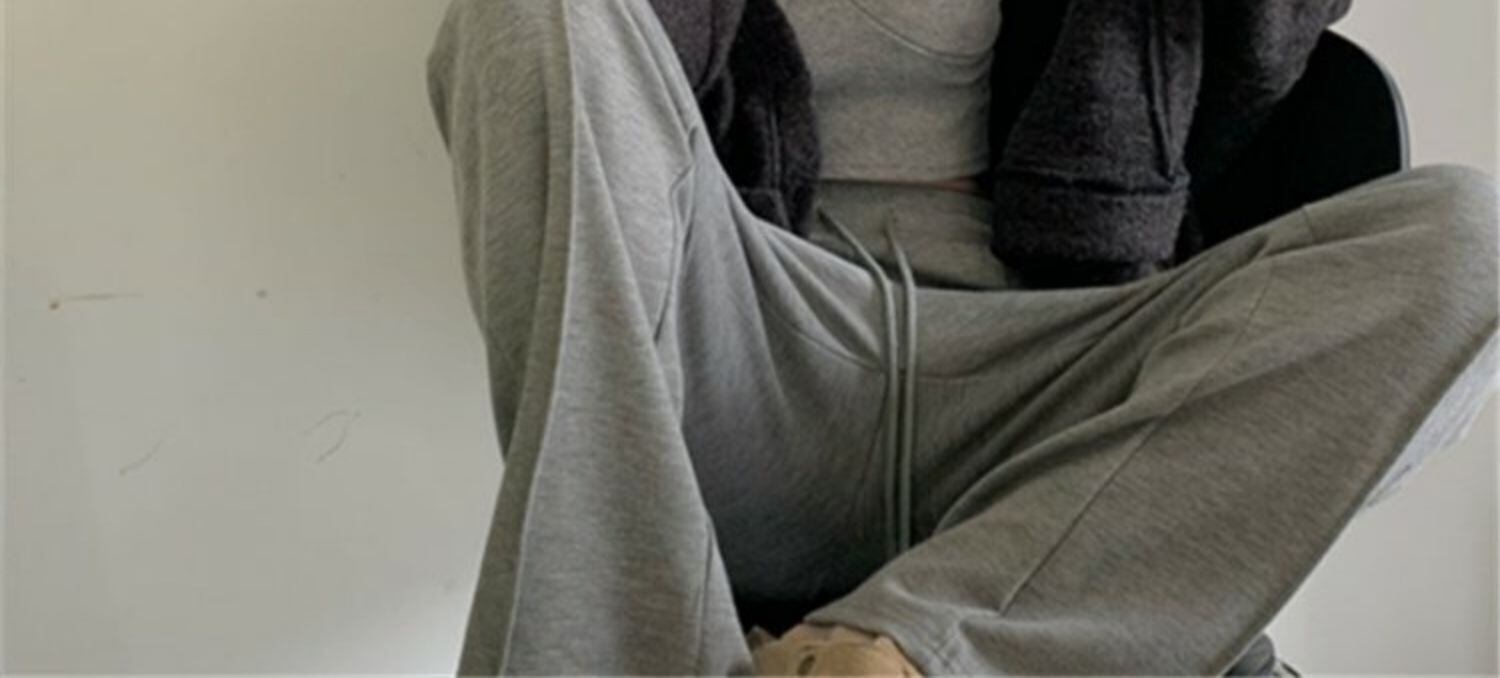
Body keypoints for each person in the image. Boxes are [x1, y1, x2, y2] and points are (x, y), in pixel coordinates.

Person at [424, 0, 1500, 675]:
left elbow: (1266, 54)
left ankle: (907, 651)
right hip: (748, 354)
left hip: (1053, 387)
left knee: (1470, 241)